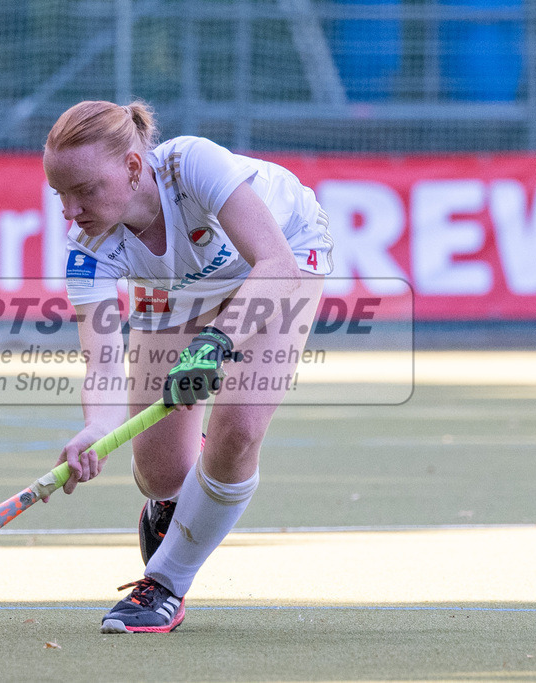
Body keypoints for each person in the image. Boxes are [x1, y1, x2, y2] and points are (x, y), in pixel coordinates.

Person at [43, 100, 333, 634]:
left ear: (133, 168)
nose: (71, 209)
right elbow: (102, 361)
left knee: (239, 429)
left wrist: (215, 344)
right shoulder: (89, 248)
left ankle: (165, 583)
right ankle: (182, 496)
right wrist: (97, 428)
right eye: (60, 194)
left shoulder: (191, 165)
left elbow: (276, 264)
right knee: (159, 474)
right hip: (179, 289)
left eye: (84, 190)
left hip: (281, 257)